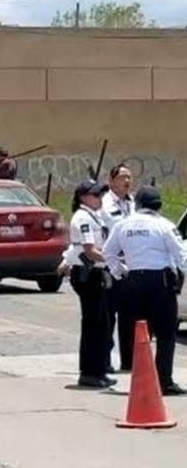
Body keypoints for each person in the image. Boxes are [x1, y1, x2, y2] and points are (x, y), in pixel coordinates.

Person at [102, 186, 186, 396]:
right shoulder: (164, 226)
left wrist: (121, 273)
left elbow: (108, 253)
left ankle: (140, 380)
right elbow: (181, 256)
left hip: (133, 283)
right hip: (160, 283)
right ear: (158, 205)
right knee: (166, 335)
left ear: (138, 204)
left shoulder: (123, 224)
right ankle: (164, 381)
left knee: (140, 335)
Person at [61, 180, 115, 389]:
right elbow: (90, 250)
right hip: (87, 274)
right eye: (95, 195)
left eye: (101, 195)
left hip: (96, 273)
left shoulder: (95, 215)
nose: (99, 198)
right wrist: (115, 262)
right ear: (83, 197)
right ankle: (89, 373)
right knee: (93, 324)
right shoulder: (83, 217)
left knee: (102, 324)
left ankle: (99, 370)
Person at [102, 164, 134, 372]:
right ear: (111, 181)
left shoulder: (135, 204)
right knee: (107, 316)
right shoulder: (103, 204)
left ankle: (129, 360)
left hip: (132, 266)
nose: (127, 181)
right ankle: (104, 360)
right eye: (123, 177)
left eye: (129, 177)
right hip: (111, 264)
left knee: (130, 316)